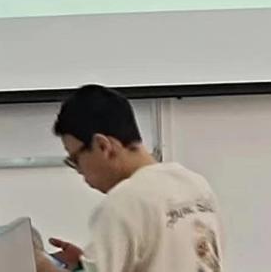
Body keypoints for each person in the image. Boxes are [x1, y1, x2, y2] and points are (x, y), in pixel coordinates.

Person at [43, 85, 223, 272]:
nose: (79, 171)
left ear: (103, 146)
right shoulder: (196, 184)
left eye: (75, 159)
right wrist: (88, 263)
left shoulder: (123, 202)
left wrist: (43, 266)